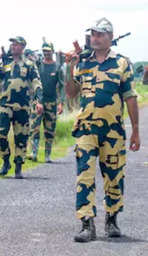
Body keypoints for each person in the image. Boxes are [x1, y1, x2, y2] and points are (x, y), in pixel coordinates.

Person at [64, 18, 140, 243]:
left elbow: (130, 97)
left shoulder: (121, 63)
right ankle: (86, 223)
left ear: (109, 37)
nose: (95, 38)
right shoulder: (83, 63)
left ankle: (112, 219)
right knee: (85, 176)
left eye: (100, 34)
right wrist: (70, 67)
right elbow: (70, 93)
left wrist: (135, 129)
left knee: (114, 175)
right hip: (86, 129)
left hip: (113, 131)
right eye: (93, 34)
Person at [0, 36, 42, 179]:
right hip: (6, 105)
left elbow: (36, 82)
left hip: (23, 106)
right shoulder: (6, 63)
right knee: (0, 135)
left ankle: (18, 166)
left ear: (22, 47)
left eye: (17, 44)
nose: (13, 46)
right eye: (12, 44)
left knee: (21, 137)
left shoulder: (29, 64)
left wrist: (38, 100)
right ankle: (6, 161)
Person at [27, 40, 64, 163]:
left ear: (52, 51)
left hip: (51, 102)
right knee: (34, 128)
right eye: (44, 51)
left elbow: (62, 85)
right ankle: (34, 153)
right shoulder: (38, 66)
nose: (46, 53)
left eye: (48, 51)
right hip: (38, 101)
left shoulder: (57, 67)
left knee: (49, 129)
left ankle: (47, 155)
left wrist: (61, 102)